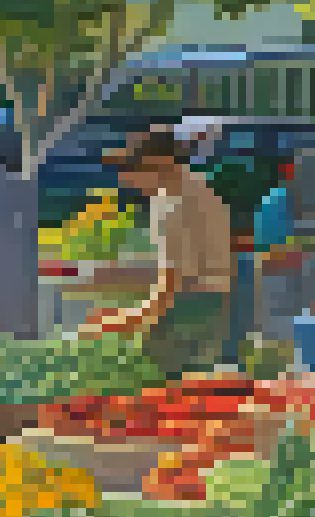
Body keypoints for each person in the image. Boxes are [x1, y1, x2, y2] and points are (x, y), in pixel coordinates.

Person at [80, 129, 235, 378]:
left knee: (163, 389)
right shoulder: (199, 187)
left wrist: (116, 322)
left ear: (160, 164)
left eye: (130, 168)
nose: (125, 178)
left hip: (188, 310)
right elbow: (196, 265)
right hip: (214, 303)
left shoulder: (170, 205)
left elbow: (170, 289)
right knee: (198, 389)